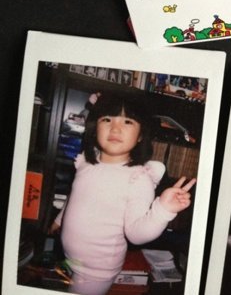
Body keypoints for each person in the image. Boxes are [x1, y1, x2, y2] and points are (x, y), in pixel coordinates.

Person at [49, 93, 195, 295]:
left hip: (96, 271)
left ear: (141, 135)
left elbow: (136, 234)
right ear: (95, 128)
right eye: (107, 119)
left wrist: (163, 210)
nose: (115, 128)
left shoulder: (137, 178)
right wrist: (59, 219)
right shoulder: (87, 163)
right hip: (71, 258)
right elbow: (76, 197)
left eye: (127, 122)